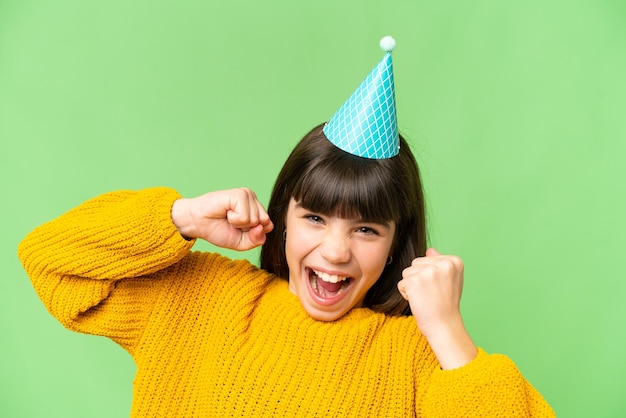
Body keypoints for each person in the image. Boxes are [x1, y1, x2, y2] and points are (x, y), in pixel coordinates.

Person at [18, 37, 555, 417]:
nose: (336, 250)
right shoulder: (206, 299)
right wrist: (180, 218)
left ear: (397, 245)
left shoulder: (416, 358)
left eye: (366, 229)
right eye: (315, 218)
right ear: (282, 217)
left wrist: (449, 335)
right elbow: (51, 260)